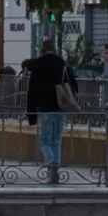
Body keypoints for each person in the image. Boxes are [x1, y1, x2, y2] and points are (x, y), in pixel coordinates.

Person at [25, 35, 77, 182]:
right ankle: (55, 171)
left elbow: (32, 90)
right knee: (57, 141)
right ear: (54, 49)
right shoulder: (62, 64)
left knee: (45, 141)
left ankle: (50, 161)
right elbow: (74, 84)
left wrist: (31, 113)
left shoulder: (37, 64)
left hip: (45, 107)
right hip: (61, 106)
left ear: (42, 50)